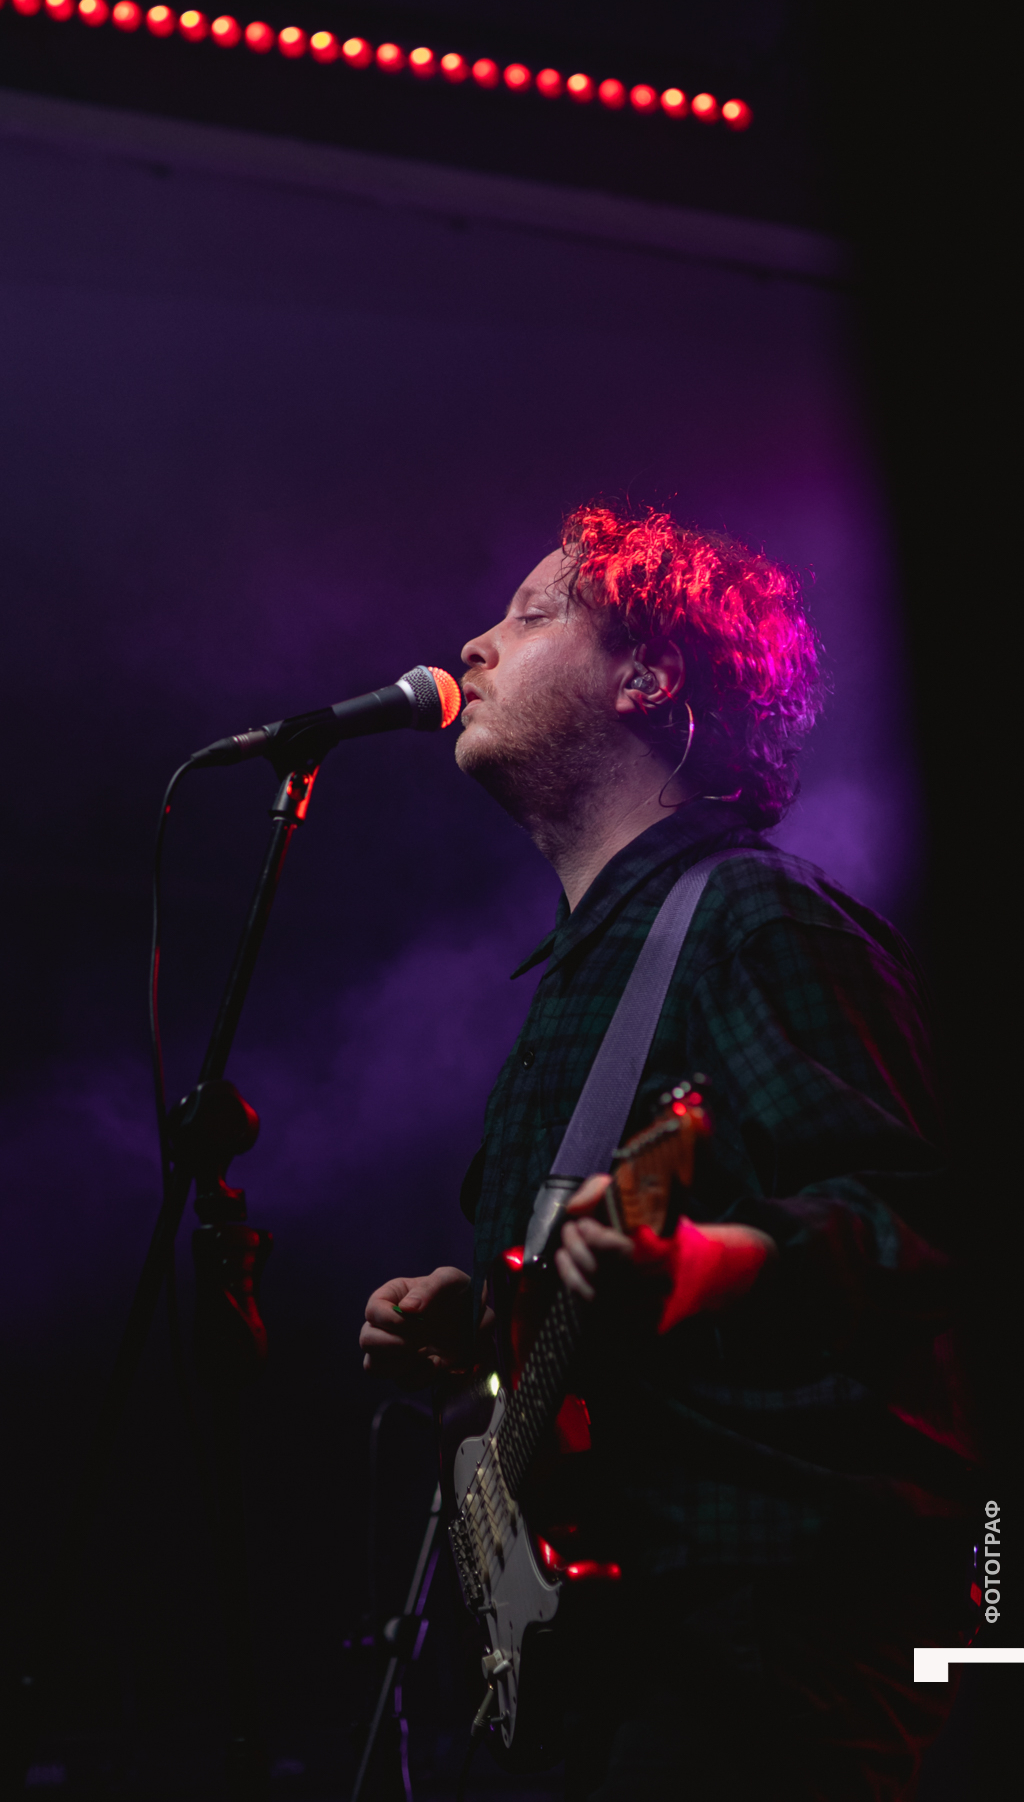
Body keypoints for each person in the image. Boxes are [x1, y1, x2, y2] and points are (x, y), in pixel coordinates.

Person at [360, 507, 977, 1801]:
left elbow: (928, 1230)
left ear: (647, 677)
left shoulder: (759, 918)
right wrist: (488, 1331)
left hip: (759, 1648)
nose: (473, 645)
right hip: (616, 1653)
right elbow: (606, 1322)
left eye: (533, 614)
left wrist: (709, 1263)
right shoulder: (586, 977)